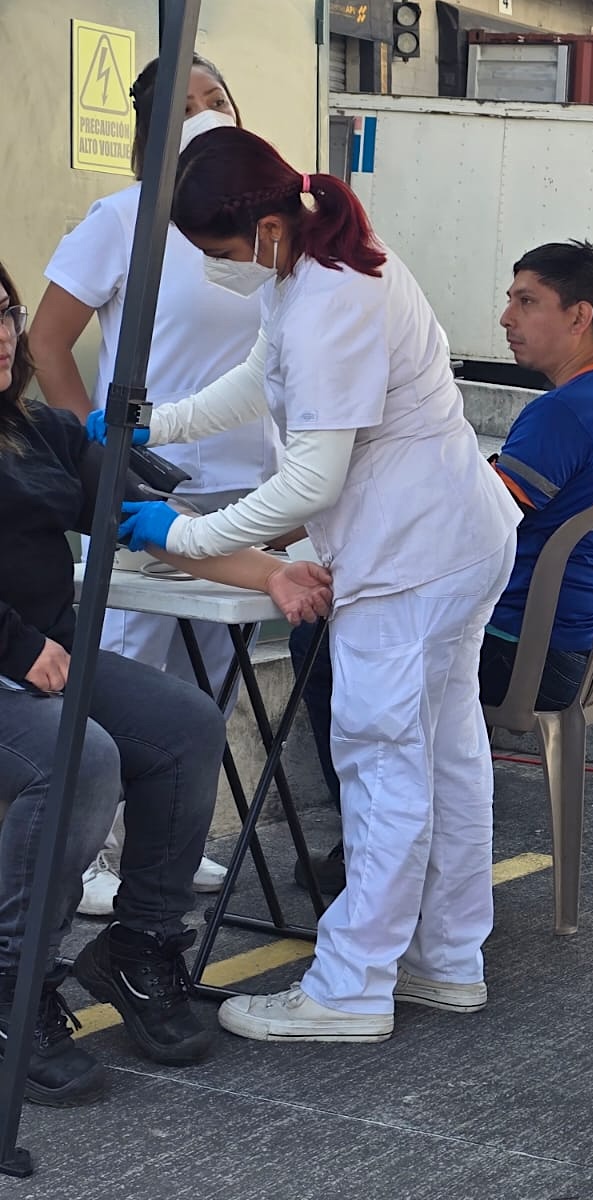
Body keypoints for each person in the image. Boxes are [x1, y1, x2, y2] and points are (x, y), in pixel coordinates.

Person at [96, 126, 522, 1043]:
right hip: (450, 540)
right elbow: (265, 375)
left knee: (383, 765)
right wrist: (158, 423)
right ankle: (445, 958)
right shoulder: (313, 253)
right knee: (445, 758)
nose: (215, 267)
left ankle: (351, 987)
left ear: (262, 226)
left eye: (216, 250)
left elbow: (311, 483)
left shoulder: (333, 294)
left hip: (411, 557)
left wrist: (186, 534)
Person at [0, 259, 330, 1103]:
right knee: (80, 758)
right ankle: (12, 983)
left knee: (185, 726)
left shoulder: (42, 433)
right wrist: (15, 644)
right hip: (14, 665)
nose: (1, 334)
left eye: (4, 312)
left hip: (44, 664)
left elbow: (159, 530)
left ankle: (139, 947)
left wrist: (272, 574)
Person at [285, 240, 593, 895]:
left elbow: (465, 520)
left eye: (527, 301)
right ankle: (398, 835)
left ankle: (374, 845)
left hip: (525, 656)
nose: (506, 317)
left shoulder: (565, 412)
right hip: (583, 657)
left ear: (579, 317)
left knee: (323, 637)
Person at [29, 55, 274, 916]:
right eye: (188, 103)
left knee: (209, 680)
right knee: (125, 663)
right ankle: (87, 853)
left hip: (246, 488)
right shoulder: (123, 218)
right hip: (144, 492)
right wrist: (93, 459)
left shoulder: (259, 229)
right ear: (153, 128)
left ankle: (163, 845)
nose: (208, 112)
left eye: (219, 97)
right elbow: (46, 342)